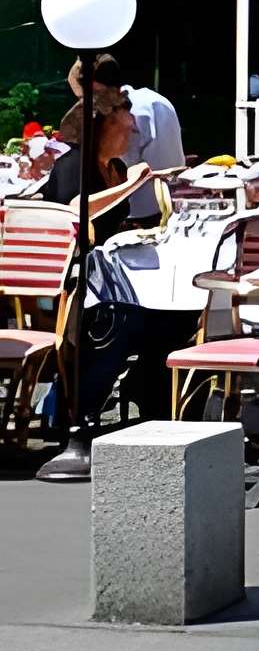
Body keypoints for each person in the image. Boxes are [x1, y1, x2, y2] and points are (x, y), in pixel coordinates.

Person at [31, 90, 163, 437]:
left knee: (170, 314)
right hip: (66, 281)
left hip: (103, 274)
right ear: (103, 125)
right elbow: (75, 211)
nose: (133, 130)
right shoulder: (75, 165)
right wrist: (133, 185)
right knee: (123, 318)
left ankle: (146, 390)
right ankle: (82, 410)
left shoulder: (115, 168)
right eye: (126, 121)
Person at [71, 53, 184, 176]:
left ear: (95, 87)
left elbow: (163, 174)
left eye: (83, 98)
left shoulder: (151, 107)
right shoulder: (105, 115)